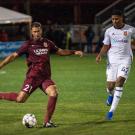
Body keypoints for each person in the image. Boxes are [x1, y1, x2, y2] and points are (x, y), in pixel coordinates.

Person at [0, 22, 83, 127]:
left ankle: (47, 122)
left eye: (38, 31)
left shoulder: (47, 43)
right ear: (31, 32)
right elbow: (13, 56)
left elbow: (60, 51)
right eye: (34, 31)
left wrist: (74, 52)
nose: (36, 33)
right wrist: (1, 65)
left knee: (53, 93)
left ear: (41, 31)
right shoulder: (27, 44)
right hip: (33, 77)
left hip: (45, 77)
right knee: (20, 99)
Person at [96, 10, 135, 120]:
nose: (114, 21)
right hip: (112, 60)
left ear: (122, 18)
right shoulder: (109, 31)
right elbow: (106, 45)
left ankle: (111, 111)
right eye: (113, 19)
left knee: (120, 81)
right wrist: (100, 55)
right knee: (110, 86)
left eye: (116, 19)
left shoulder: (131, 29)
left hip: (126, 59)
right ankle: (111, 95)